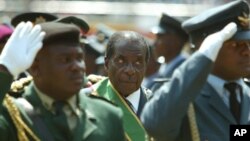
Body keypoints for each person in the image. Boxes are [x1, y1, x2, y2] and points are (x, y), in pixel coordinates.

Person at [141, 0, 250, 141]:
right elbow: (155, 126)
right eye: (236, 44)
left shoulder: (246, 94)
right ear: (206, 48)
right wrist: (203, 58)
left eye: (248, 44)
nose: (247, 52)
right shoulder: (180, 95)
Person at [0, 21, 125, 141]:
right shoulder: (11, 115)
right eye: (65, 60)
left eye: (79, 58)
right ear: (35, 68)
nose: (77, 67)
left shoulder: (108, 115)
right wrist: (5, 71)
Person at [92, 31, 151, 141]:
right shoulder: (87, 102)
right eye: (120, 61)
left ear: (146, 65)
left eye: (138, 62)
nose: (130, 70)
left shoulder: (158, 106)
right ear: (106, 64)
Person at [148, 13, 188, 91]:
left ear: (175, 41)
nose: (154, 43)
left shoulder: (184, 70)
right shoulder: (166, 66)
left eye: (160, 37)